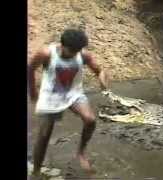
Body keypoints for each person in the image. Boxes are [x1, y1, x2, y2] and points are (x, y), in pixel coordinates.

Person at [28, 28, 110, 176]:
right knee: (45, 134)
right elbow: (30, 68)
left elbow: (99, 70)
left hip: (73, 93)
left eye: (77, 51)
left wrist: (102, 80)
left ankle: (81, 153)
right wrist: (33, 91)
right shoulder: (46, 53)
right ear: (62, 45)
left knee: (90, 120)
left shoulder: (83, 55)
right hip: (51, 96)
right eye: (71, 50)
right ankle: (36, 171)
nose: (74, 54)